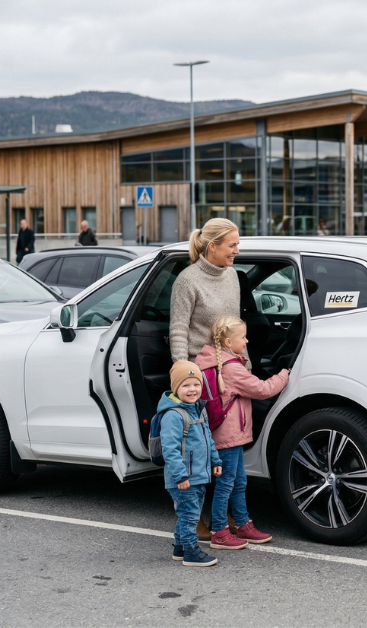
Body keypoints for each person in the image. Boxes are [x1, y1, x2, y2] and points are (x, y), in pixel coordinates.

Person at [194, 316, 289, 550]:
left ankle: (244, 524)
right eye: (243, 337)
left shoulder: (210, 361)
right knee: (227, 483)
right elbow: (263, 389)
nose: (246, 341)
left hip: (224, 432)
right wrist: (284, 375)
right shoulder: (232, 368)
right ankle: (219, 531)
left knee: (238, 481)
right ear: (228, 342)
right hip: (229, 435)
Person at [159, 361, 222, 567]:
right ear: (176, 388)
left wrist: (215, 460)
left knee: (187, 513)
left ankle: (179, 547)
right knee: (189, 516)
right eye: (186, 385)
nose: (192, 389)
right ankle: (191, 552)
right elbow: (170, 450)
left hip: (198, 475)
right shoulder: (173, 415)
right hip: (183, 478)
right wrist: (180, 476)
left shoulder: (199, 410)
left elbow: (208, 439)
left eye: (196, 384)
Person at [169, 218, 244, 365]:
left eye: (237, 245)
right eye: (232, 246)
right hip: (203, 370)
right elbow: (179, 330)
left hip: (233, 367)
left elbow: (236, 329)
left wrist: (246, 365)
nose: (237, 251)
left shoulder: (232, 275)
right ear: (212, 246)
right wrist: (184, 369)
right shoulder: (187, 280)